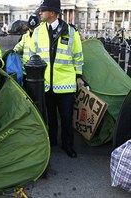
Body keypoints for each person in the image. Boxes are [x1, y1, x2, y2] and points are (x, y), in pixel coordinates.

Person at [31, 0, 84, 158]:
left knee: (67, 118)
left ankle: (68, 146)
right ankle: (52, 141)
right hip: (46, 83)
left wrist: (79, 76)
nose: (40, 13)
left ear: (52, 13)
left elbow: (78, 56)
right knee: (50, 117)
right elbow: (31, 55)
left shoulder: (71, 31)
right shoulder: (38, 31)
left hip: (66, 84)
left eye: (43, 10)